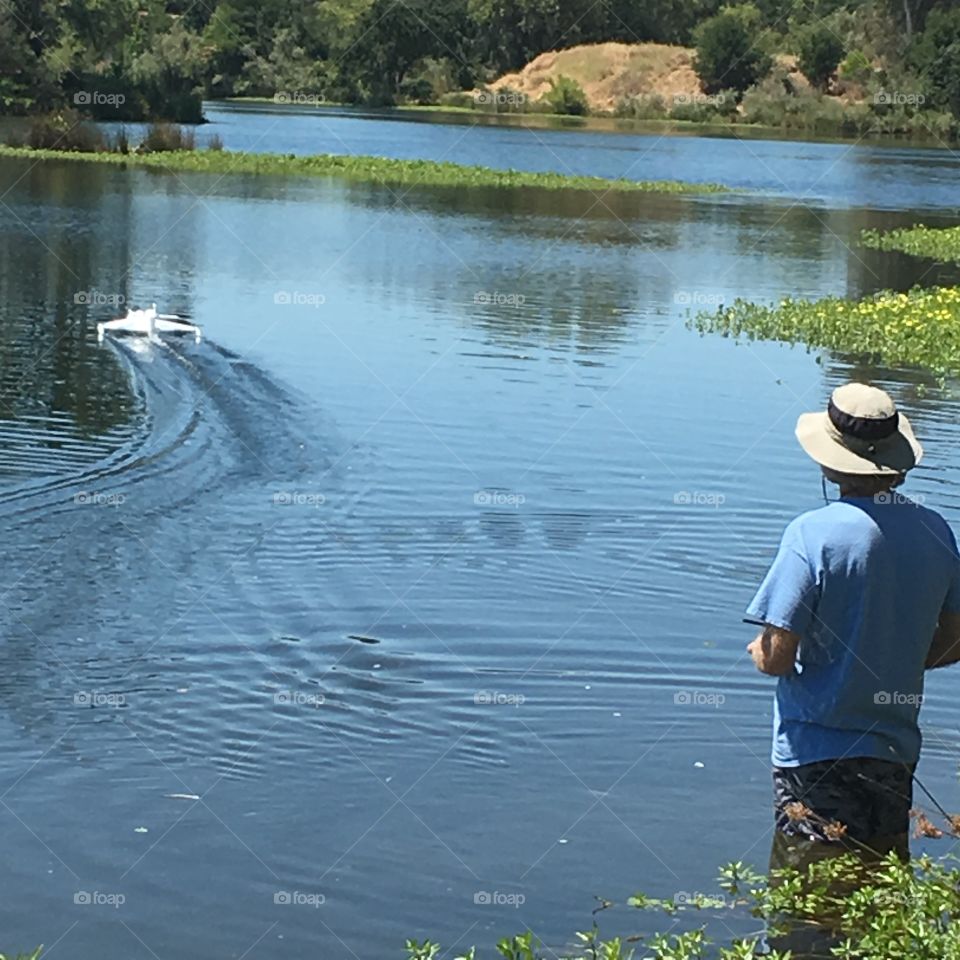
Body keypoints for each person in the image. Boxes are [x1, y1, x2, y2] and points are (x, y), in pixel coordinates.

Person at [746, 382, 960, 870]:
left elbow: (778, 656)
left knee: (810, 890)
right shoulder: (935, 530)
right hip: (895, 752)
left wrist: (758, 652)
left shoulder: (810, 533)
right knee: (883, 878)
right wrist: (906, 660)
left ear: (828, 462)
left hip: (814, 754)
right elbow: (957, 635)